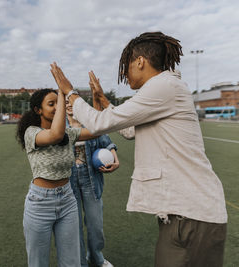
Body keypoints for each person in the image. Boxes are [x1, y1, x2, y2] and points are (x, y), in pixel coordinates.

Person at [50, 31, 227, 267]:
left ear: (140, 62)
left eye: (126, 68)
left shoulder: (164, 86)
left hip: (194, 215)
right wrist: (102, 101)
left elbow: (99, 123)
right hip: (179, 215)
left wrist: (70, 92)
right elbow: (130, 130)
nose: (124, 75)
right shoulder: (162, 89)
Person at [16, 65, 102, 267]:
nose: (56, 107)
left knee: (72, 262)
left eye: (58, 103)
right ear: (38, 110)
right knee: (38, 263)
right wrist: (63, 93)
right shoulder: (32, 133)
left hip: (67, 200)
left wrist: (97, 97)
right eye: (51, 104)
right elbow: (54, 135)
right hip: (40, 203)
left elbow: (97, 129)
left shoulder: (68, 134)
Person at [66, 95, 118, 267]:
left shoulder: (91, 125)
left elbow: (107, 143)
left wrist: (115, 160)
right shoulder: (60, 128)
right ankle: (79, 262)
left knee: (95, 226)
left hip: (91, 182)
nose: (69, 105)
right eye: (66, 103)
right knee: (75, 228)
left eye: (72, 102)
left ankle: (96, 258)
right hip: (69, 184)